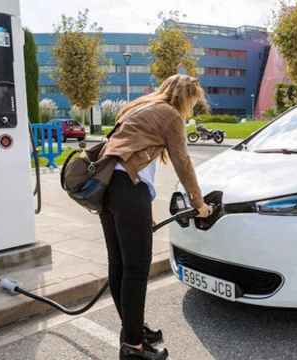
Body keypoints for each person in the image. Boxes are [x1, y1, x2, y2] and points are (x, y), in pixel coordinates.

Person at [101, 74, 213, 360]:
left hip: (107, 189)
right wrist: (199, 204)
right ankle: (134, 348)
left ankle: (133, 331)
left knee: (119, 266)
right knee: (136, 270)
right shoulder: (170, 114)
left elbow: (129, 159)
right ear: (186, 98)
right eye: (193, 102)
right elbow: (183, 163)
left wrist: (144, 210)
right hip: (127, 191)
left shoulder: (139, 106)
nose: (191, 108)